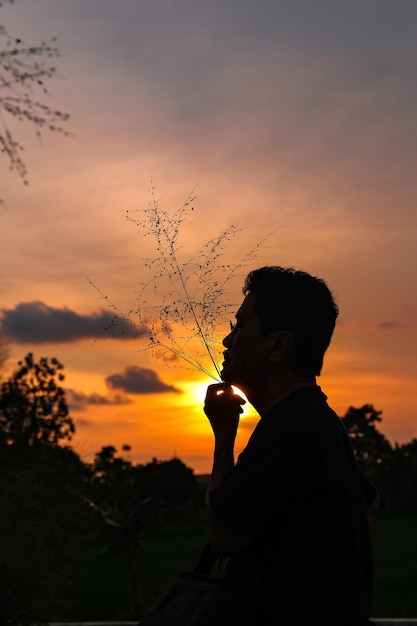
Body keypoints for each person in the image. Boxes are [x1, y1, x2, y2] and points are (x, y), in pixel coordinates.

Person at [204, 266, 378, 626]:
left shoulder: (290, 426)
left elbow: (223, 535)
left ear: (279, 345)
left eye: (239, 326)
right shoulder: (314, 419)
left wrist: (224, 438)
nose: (227, 340)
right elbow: (369, 502)